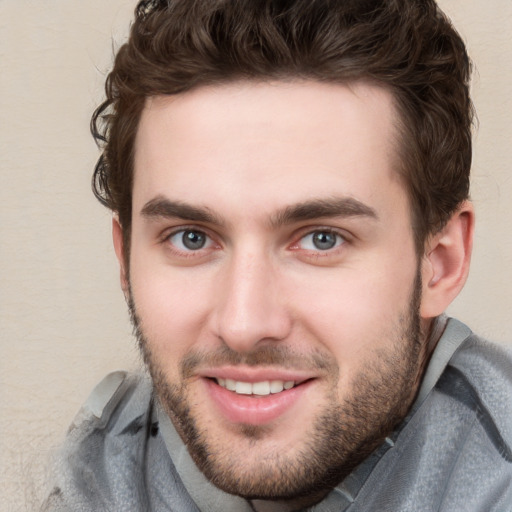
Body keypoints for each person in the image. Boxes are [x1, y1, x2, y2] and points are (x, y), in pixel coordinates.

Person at [42, 0, 512, 510]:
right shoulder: (96, 472)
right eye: (191, 238)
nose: (244, 324)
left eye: (321, 239)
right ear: (126, 260)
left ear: (440, 263)